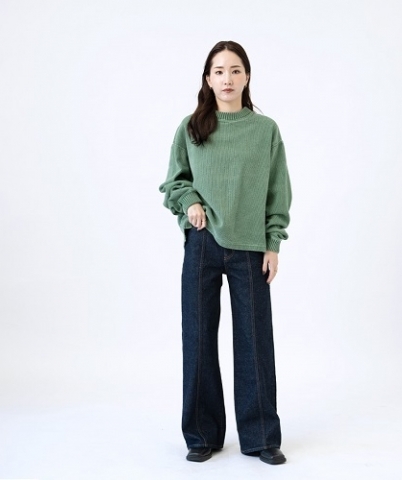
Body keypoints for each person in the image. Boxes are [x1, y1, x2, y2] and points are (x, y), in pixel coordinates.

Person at [159, 40, 292, 465]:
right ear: (208, 79)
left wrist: (273, 242)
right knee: (198, 339)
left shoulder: (265, 130)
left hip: (250, 247)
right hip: (203, 243)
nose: (227, 78)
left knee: (255, 342)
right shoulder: (192, 127)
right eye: (219, 71)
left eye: (235, 70)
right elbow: (174, 182)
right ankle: (202, 435)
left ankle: (261, 437)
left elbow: (277, 190)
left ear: (247, 76)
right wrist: (190, 202)